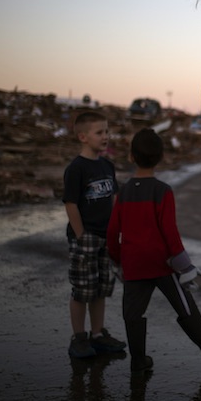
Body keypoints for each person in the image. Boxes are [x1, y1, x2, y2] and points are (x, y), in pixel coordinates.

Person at [106, 128, 201, 375]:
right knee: (183, 302)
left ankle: (138, 360)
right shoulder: (162, 191)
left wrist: (118, 261)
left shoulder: (124, 192)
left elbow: (112, 231)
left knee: (132, 312)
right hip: (161, 263)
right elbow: (169, 232)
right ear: (161, 157)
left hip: (133, 264)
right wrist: (184, 265)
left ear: (131, 157)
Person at [63, 111, 127, 358]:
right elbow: (70, 204)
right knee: (82, 290)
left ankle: (98, 334)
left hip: (106, 237)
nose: (106, 137)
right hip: (85, 238)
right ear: (83, 137)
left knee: (101, 288)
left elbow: (114, 199)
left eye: (107, 131)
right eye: (99, 132)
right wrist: (81, 236)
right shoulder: (76, 168)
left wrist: (116, 230)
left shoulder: (107, 166)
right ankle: (79, 337)